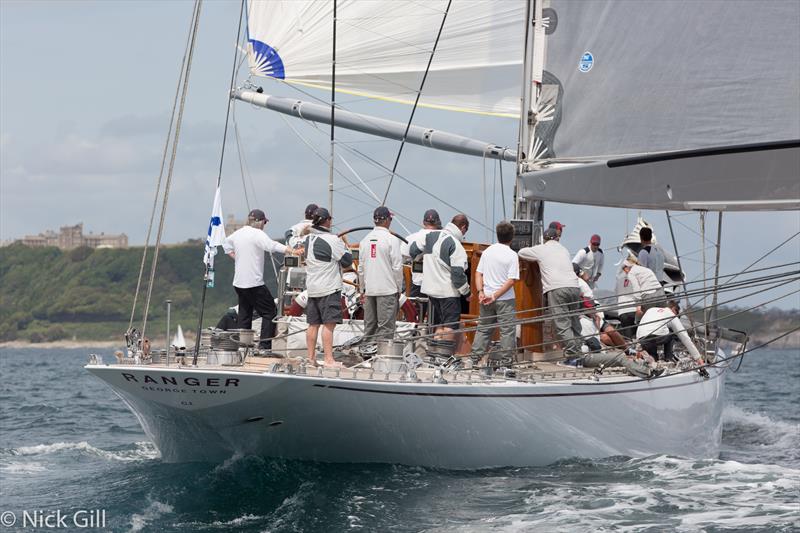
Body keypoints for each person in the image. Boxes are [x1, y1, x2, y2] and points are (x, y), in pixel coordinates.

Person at [223, 209, 302, 351]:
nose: (265, 225)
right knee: (269, 312)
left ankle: (243, 347)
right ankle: (264, 347)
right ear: (259, 222)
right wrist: (292, 251)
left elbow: (226, 246)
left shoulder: (238, 233)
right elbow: (272, 245)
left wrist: (237, 258)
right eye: (264, 222)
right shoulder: (257, 234)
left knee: (245, 313)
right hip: (253, 283)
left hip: (239, 283)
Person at [518, 227, 583, 357]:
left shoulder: (541, 249)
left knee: (562, 324)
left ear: (544, 239)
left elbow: (521, 252)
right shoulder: (564, 250)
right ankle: (579, 349)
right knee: (574, 321)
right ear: (557, 238)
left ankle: (574, 355)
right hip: (575, 287)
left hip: (557, 288)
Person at [410, 214, 470, 346]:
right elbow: (457, 274)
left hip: (431, 292)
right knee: (450, 324)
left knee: (438, 324)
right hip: (448, 293)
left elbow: (413, 250)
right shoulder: (455, 244)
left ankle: (435, 352)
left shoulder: (429, 236)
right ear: (463, 228)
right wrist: (467, 293)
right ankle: (444, 355)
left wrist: (423, 259)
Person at [303, 207, 353, 366]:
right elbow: (347, 261)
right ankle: (328, 359)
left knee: (313, 325)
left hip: (312, 288)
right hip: (329, 288)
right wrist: (345, 245)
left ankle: (310, 358)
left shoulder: (308, 239)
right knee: (329, 325)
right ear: (327, 220)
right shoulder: (332, 240)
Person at [470, 221, 520, 366]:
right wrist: (496, 296)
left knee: (484, 329)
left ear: (497, 235)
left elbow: (478, 273)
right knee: (507, 331)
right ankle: (506, 362)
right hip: (505, 299)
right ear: (512, 237)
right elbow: (511, 281)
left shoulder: (487, 252)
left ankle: (474, 359)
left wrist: (481, 292)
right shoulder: (512, 255)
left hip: (486, 297)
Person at [358, 206, 404, 347]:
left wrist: (362, 290)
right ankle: (381, 358)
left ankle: (367, 356)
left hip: (370, 290)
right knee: (386, 328)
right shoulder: (392, 240)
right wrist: (398, 288)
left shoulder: (364, 241)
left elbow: (361, 269)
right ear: (387, 220)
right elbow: (397, 267)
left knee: (370, 327)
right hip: (387, 290)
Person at [575, 265, 626, 350]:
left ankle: (626, 349)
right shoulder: (576, 287)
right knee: (604, 338)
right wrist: (597, 333)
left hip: (596, 315)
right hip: (588, 320)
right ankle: (618, 350)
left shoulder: (582, 286)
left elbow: (596, 316)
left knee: (611, 331)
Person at [637, 300, 703, 364]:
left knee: (654, 356)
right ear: (674, 309)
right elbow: (684, 336)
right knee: (673, 332)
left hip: (641, 338)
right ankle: (669, 357)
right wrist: (698, 357)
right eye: (677, 315)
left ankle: (651, 358)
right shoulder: (671, 314)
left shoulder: (651, 310)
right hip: (654, 337)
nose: (677, 317)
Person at [402, 209, 442, 298]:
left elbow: (405, 260)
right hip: (438, 283)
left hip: (418, 282)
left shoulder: (410, 238)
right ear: (438, 222)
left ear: (423, 222)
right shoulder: (444, 237)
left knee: (416, 311)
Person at [615, 265, 640, 339]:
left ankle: (630, 347)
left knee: (627, 334)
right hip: (633, 309)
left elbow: (616, 294)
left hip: (622, 310)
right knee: (637, 333)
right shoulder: (635, 278)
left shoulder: (619, 280)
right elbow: (638, 293)